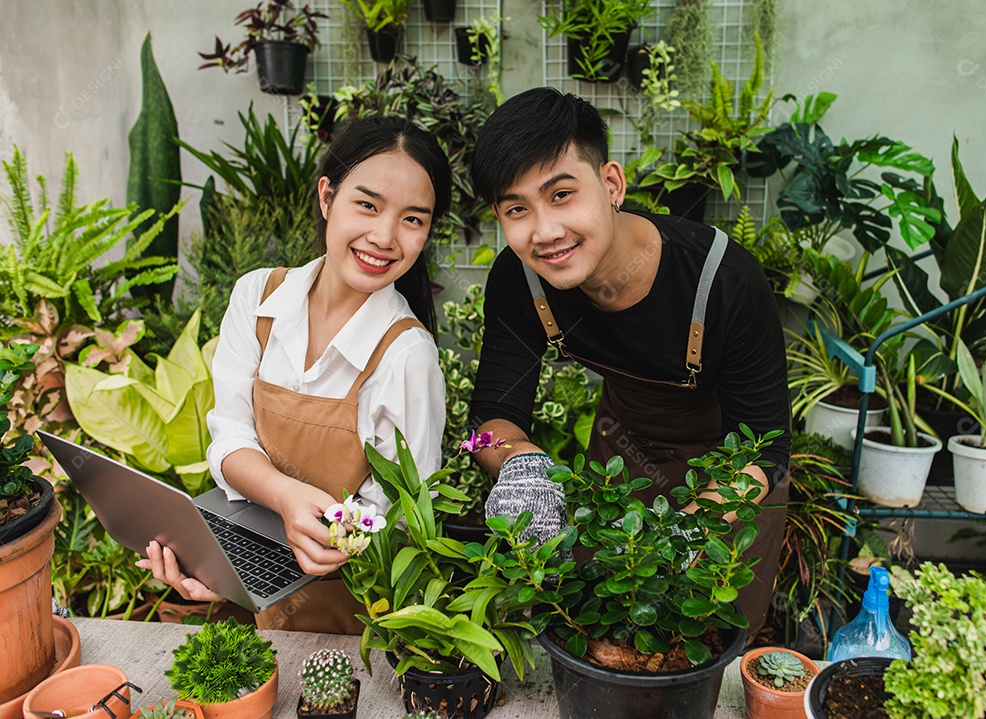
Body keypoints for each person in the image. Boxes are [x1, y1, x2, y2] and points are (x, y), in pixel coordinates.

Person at [467, 87, 791, 640]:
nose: (544, 232)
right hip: (621, 456)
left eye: (562, 195)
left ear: (611, 184)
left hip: (736, 477)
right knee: (601, 629)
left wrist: (686, 535)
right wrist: (521, 468)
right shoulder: (520, 282)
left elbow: (767, 445)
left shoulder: (723, 282)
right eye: (517, 209)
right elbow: (493, 417)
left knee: (703, 642)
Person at [136, 116, 450, 634]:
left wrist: (323, 536)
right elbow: (230, 437)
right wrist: (234, 560)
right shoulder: (257, 298)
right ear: (327, 197)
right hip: (245, 575)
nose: (384, 236)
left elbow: (405, 516)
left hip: (344, 616)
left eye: (413, 220)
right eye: (367, 205)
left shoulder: (406, 354)